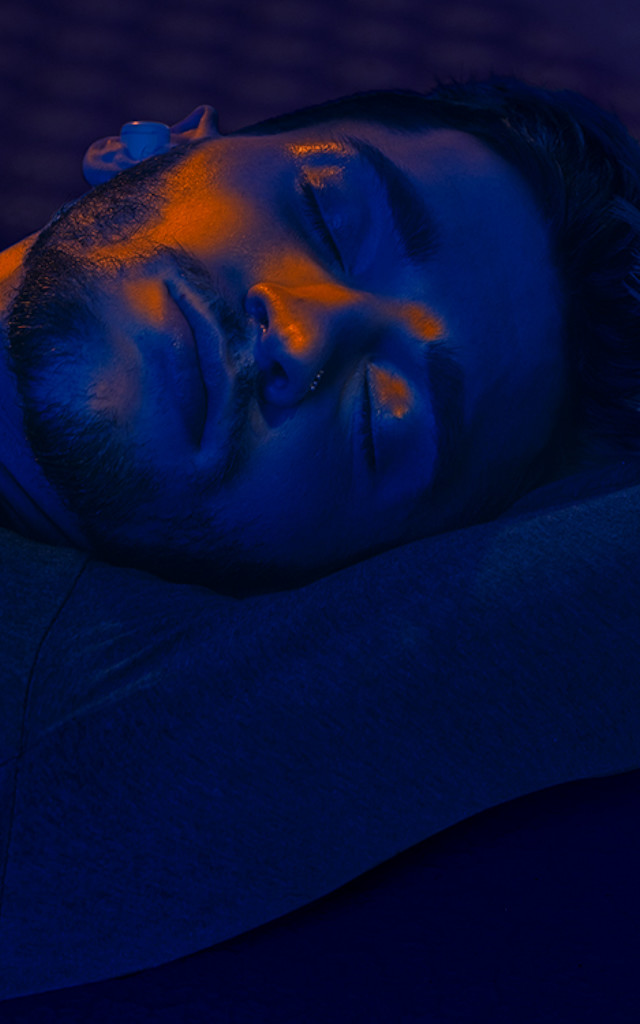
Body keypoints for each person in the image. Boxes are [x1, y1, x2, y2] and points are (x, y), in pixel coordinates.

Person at [0, 75, 639, 1000]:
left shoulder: (92, 747)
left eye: (386, 415)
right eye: (328, 213)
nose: (302, 333)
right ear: (159, 145)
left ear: (355, 575)